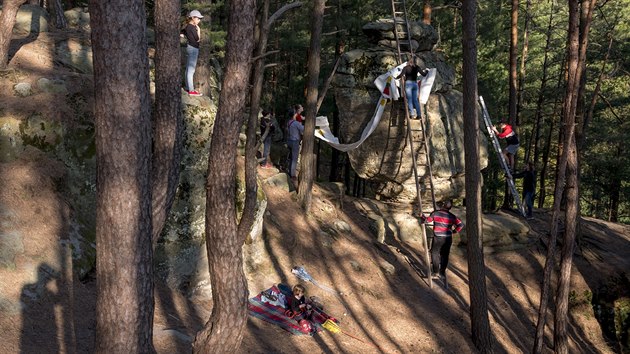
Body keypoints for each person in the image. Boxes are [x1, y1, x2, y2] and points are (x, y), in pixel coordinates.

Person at [419, 200, 464, 288]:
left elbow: (427, 221)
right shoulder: (452, 216)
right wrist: (454, 231)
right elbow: (461, 225)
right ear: (450, 208)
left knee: (434, 253)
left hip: (438, 237)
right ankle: (442, 272)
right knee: (445, 255)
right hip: (448, 238)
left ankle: (435, 272)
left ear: (443, 205)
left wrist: (422, 216)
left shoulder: (436, 213)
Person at [181, 10, 203, 96]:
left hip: (189, 47)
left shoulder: (187, 26)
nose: (199, 20)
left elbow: (182, 32)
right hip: (193, 48)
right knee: (191, 70)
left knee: (188, 69)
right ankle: (191, 90)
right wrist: (199, 30)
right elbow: (198, 39)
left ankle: (187, 87)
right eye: (198, 18)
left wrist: (182, 34)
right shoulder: (193, 28)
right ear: (193, 18)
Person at [286, 111, 304, 183]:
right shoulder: (296, 123)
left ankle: (290, 171)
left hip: (289, 141)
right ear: (294, 115)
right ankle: (293, 175)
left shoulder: (289, 122)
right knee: (294, 159)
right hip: (294, 142)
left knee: (291, 158)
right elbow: (303, 129)